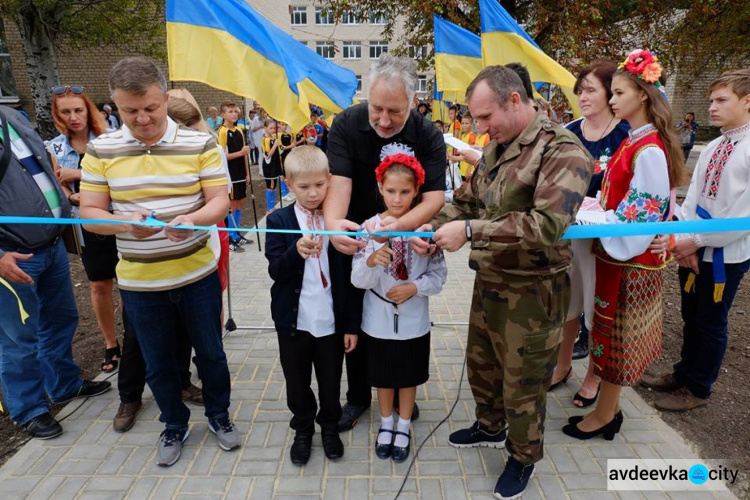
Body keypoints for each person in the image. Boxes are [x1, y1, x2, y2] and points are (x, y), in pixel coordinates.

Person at [421, 65, 592, 499]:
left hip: (534, 291)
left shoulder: (563, 150)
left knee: (524, 382)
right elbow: (467, 199)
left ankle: (522, 456)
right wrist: (435, 232)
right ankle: (490, 426)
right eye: (475, 119)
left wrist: (471, 232)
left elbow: (546, 225)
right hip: (492, 279)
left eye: (484, 117)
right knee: (483, 365)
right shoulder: (500, 145)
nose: (479, 128)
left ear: (514, 100)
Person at [80, 57, 239, 466]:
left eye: (151, 107)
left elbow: (219, 201)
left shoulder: (199, 143)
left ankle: (219, 416)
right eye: (130, 111)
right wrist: (122, 224)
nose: (143, 118)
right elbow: (90, 214)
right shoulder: (101, 149)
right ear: (115, 105)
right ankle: (174, 422)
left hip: (196, 274)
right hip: (140, 283)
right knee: (157, 361)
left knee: (211, 353)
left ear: (165, 97)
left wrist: (194, 219)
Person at [562, 49, 686, 442]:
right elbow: (624, 203)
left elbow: (641, 217)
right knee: (607, 331)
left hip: (630, 258)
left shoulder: (647, 149)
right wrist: (595, 207)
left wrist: (596, 218)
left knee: (614, 334)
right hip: (620, 252)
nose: (612, 100)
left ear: (643, 96)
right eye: (611, 93)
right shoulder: (638, 142)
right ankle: (607, 410)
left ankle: (605, 413)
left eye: (618, 93)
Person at [324, 54, 446, 432]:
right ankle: (360, 395)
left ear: (412, 102)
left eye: (395, 111)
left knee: (403, 314)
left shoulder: (427, 134)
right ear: (367, 96)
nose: (384, 120)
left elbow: (435, 197)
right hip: (359, 232)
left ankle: (400, 386)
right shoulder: (346, 123)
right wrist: (335, 228)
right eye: (377, 108)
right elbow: (339, 183)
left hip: (405, 230)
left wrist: (400, 230)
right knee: (354, 315)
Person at [0, 104, 111, 440]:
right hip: (13, 255)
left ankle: (63, 384)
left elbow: (46, 168)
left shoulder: (13, 117)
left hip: (50, 245)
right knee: (19, 337)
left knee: (61, 319)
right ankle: (29, 409)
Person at [643, 69, 750, 411]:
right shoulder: (714, 146)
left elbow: (742, 217)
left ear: (747, 102)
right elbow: (692, 200)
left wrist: (697, 240)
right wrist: (683, 238)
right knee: (691, 315)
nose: (712, 108)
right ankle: (683, 372)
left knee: (710, 320)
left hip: (725, 252)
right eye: (711, 101)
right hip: (694, 245)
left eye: (721, 100)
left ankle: (699, 387)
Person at [265, 145, 358, 465]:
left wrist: (350, 325)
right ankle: (303, 428)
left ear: (329, 180)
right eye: (303, 187)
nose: (313, 193)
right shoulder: (279, 220)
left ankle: (329, 427)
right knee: (297, 382)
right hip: (294, 322)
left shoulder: (339, 219)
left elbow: (348, 278)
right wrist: (295, 252)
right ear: (289, 185)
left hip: (330, 323)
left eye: (320, 185)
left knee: (331, 381)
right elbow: (274, 270)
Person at [351, 154, 447, 463]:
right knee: (382, 376)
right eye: (390, 191)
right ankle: (386, 424)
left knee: (408, 376)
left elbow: (439, 277)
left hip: (413, 319)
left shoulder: (426, 230)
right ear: (380, 187)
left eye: (405, 192)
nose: (397, 198)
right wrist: (369, 261)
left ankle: (404, 425)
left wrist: (414, 287)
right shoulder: (369, 228)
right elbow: (358, 280)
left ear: (417, 191)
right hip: (377, 320)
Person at [548, 61, 631, 408]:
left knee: (597, 308)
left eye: (590, 89)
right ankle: (563, 363)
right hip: (569, 235)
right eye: (579, 89)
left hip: (604, 241)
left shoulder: (625, 136)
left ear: (611, 93)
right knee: (567, 303)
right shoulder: (569, 131)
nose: (582, 96)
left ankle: (595, 374)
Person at [46, 84, 121, 373]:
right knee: (100, 284)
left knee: (128, 283)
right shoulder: (52, 147)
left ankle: (137, 338)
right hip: (85, 223)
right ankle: (111, 343)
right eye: (66, 111)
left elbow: (121, 178)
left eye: (78, 110)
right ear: (57, 114)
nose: (73, 117)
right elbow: (56, 184)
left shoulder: (111, 141)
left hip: (116, 217)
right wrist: (70, 195)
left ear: (88, 110)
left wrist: (79, 173)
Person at [217, 101, 250, 252]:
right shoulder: (222, 132)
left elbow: (244, 154)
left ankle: (237, 234)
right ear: (223, 115)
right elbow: (222, 156)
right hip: (230, 172)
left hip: (241, 172)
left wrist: (248, 173)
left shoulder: (240, 131)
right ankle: (230, 236)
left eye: (235, 111)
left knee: (240, 202)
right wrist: (240, 153)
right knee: (232, 204)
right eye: (230, 112)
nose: (234, 114)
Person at [261, 119, 284, 214]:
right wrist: (275, 145)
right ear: (265, 128)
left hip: (276, 165)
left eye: (274, 128)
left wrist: (280, 146)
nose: (273, 130)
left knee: (274, 186)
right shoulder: (265, 140)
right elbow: (267, 155)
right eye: (271, 128)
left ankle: (272, 206)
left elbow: (281, 150)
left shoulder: (274, 137)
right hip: (269, 167)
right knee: (270, 187)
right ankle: (269, 208)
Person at [448, 113, 477, 179]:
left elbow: (472, 153)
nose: (464, 125)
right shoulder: (463, 135)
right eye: (463, 123)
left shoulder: (472, 135)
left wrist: (469, 169)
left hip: (468, 168)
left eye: (467, 123)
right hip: (462, 166)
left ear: (471, 124)